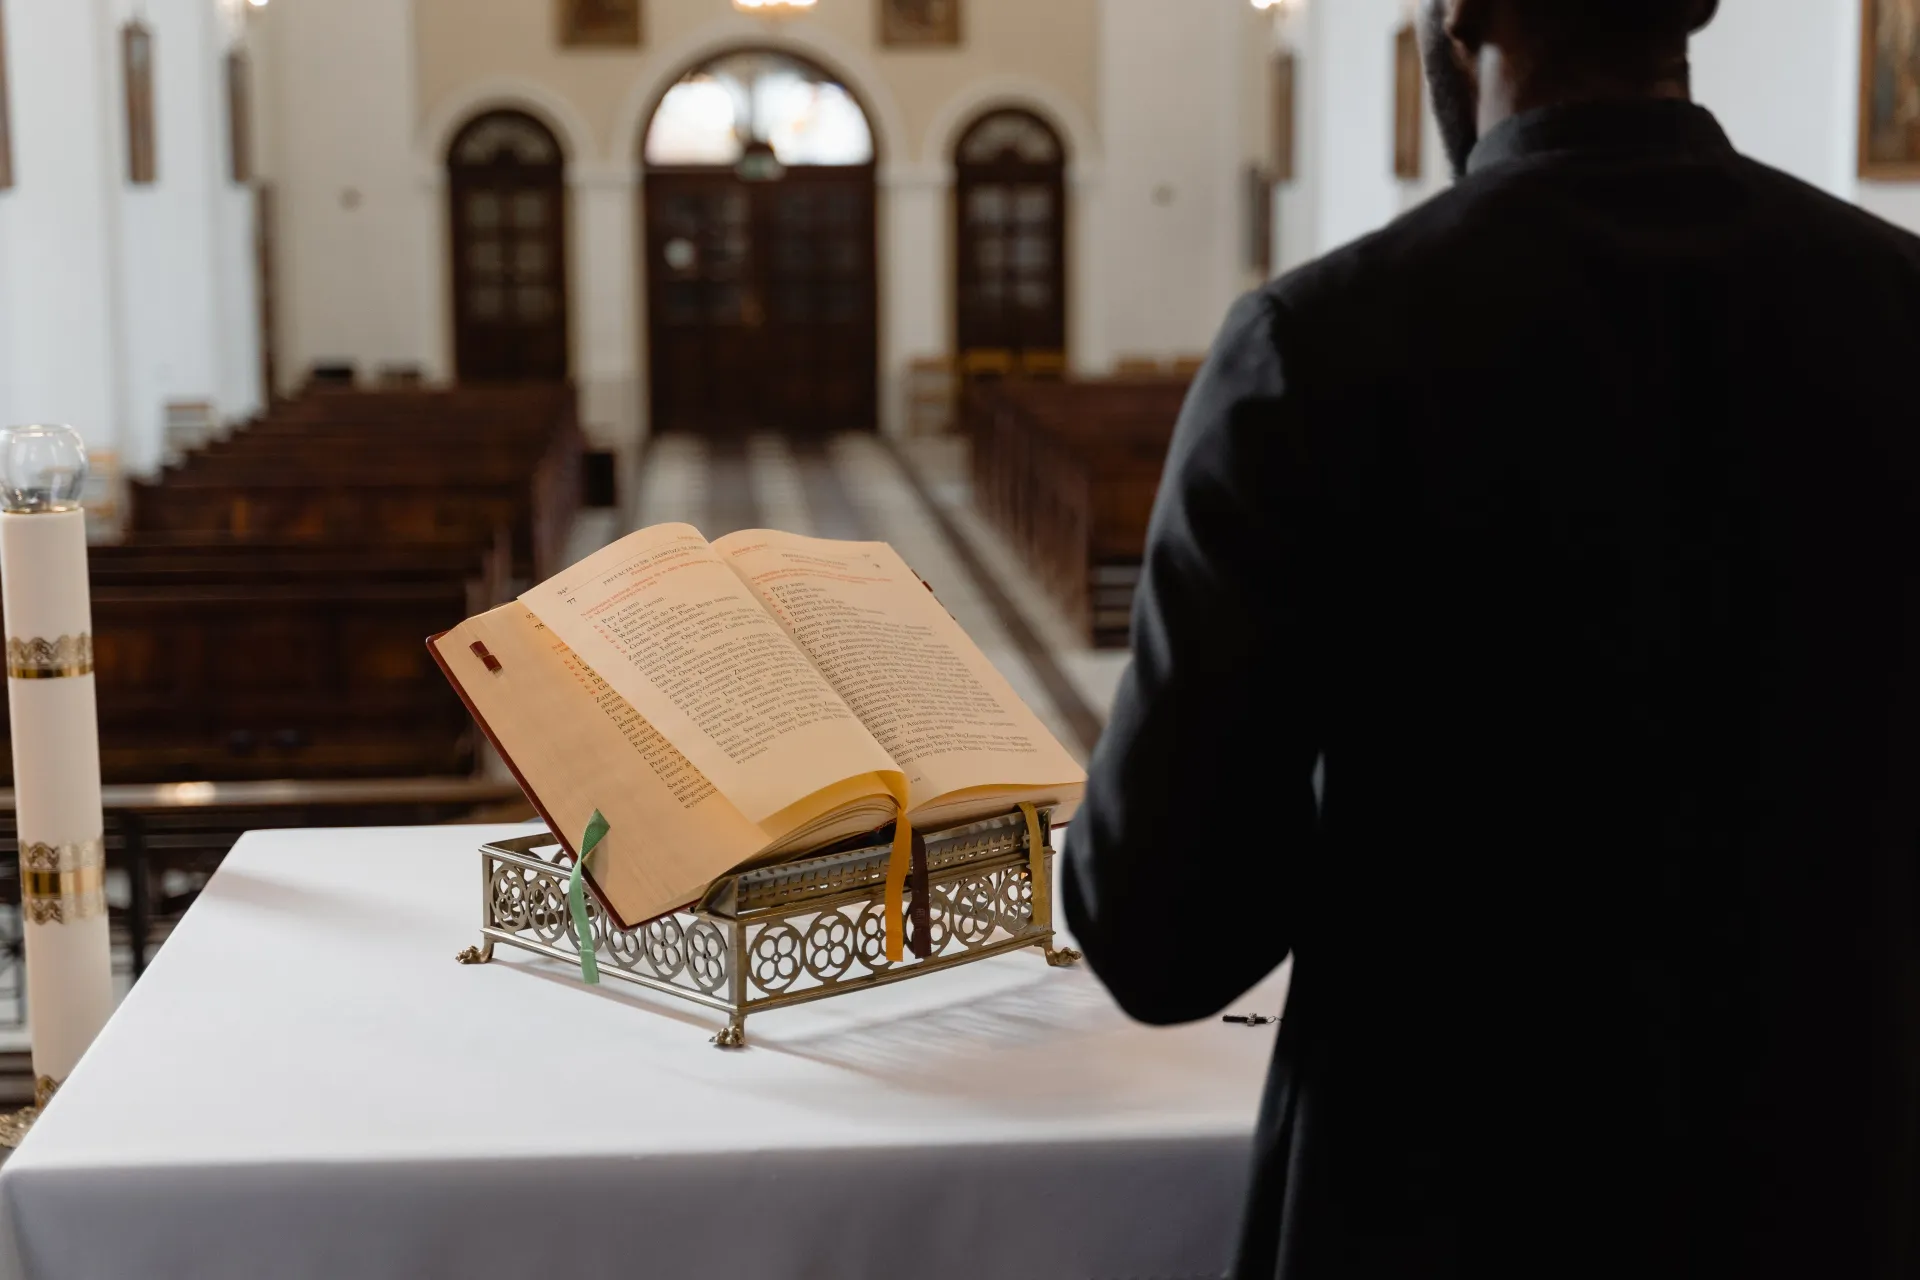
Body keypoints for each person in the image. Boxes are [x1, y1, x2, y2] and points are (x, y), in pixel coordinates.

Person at [1062, 1, 1920, 1275]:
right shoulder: (1897, 308)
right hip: (1842, 1195)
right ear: (1696, 6)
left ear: (1458, 17)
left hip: (1437, 1203)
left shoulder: (1319, 349)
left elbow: (1164, 936)